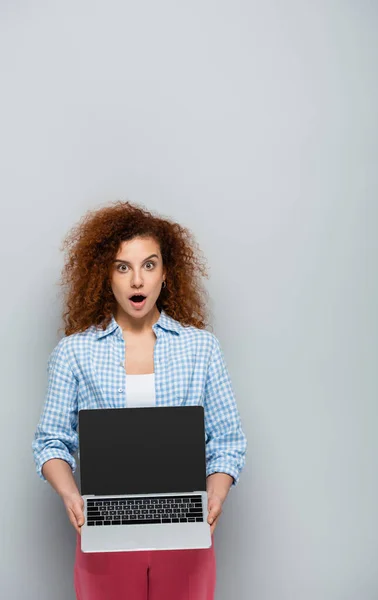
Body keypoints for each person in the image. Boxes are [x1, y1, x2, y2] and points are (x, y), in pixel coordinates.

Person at [32, 200, 247, 600]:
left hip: (184, 526)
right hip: (106, 527)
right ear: (106, 275)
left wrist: (216, 493)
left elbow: (228, 440)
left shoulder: (201, 349)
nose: (137, 281)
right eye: (123, 267)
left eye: (149, 265)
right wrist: (70, 496)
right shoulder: (74, 352)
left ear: (166, 274)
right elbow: (50, 441)